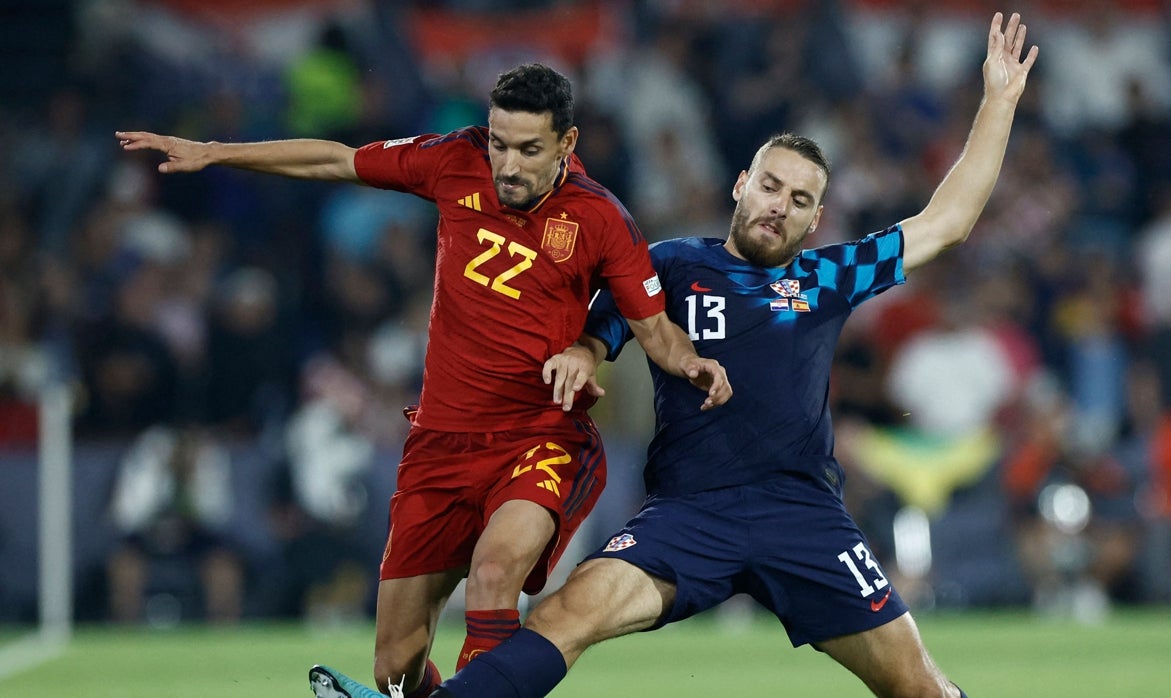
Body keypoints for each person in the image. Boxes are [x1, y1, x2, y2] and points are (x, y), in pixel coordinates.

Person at [430, 12, 1037, 698]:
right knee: (567, 612)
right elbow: (604, 329)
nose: (780, 206)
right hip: (690, 513)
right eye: (772, 187)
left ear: (815, 222)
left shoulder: (826, 279)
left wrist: (999, 101)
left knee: (919, 686)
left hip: (803, 514)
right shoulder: (671, 264)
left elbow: (947, 223)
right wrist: (584, 352)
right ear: (741, 185)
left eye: (801, 200)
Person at [118, 63, 731, 698]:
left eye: (529, 149)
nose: (509, 166)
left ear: (566, 145)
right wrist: (217, 153)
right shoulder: (454, 160)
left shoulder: (600, 218)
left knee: (493, 576)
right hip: (440, 446)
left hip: (539, 438)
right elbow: (337, 161)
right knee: (395, 668)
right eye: (499, 144)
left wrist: (696, 367)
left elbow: (656, 333)